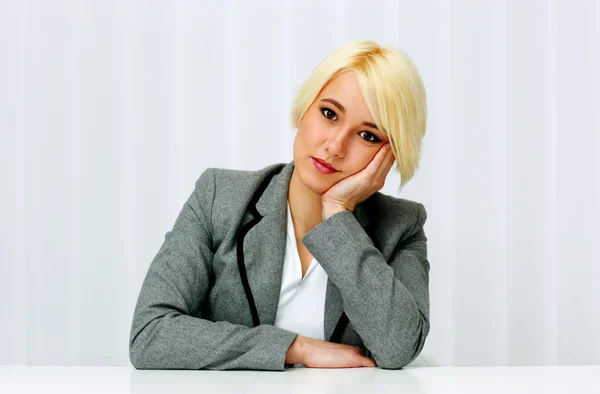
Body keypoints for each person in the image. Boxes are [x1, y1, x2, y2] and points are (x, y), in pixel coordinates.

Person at [129, 39, 430, 371]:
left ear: (392, 155)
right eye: (329, 113)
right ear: (304, 109)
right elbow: (150, 333)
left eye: (368, 136)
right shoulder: (219, 196)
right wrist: (294, 348)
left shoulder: (402, 225)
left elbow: (399, 348)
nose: (335, 146)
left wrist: (338, 213)